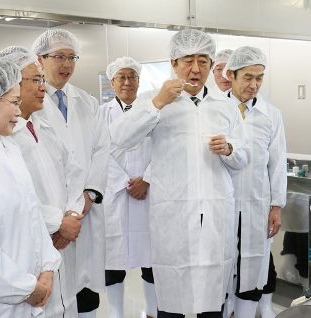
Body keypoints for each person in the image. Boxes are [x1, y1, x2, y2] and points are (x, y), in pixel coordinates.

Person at [110, 28, 249, 318]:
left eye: (203, 60)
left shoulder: (225, 106)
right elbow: (120, 138)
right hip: (172, 215)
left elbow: (243, 157)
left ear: (212, 65)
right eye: (188, 60)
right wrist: (157, 102)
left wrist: (229, 149)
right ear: (173, 63)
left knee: (212, 298)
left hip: (214, 212)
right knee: (171, 300)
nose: (195, 68)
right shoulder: (154, 100)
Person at [0, 46, 86, 317]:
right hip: (34, 244)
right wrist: (58, 222)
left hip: (63, 239)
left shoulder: (44, 124)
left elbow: (74, 170)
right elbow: (18, 200)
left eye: (42, 80)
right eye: (35, 80)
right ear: (9, 85)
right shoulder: (3, 140)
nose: (43, 88)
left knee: (65, 304)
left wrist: (72, 213)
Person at [32, 29, 110, 318]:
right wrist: (62, 217)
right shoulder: (31, 105)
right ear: (40, 59)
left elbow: (102, 150)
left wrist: (89, 195)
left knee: (85, 289)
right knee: (55, 289)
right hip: (53, 215)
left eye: (71, 57)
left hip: (84, 212)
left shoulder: (88, 102)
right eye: (59, 57)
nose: (66, 64)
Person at [0, 57, 61, 317]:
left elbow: (32, 214)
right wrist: (25, 288)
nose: (18, 111)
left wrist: (47, 268)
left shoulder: (8, 147)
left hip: (32, 292)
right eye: (13, 103)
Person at [223, 46, 287, 318]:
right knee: (222, 269)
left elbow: (278, 162)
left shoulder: (271, 115)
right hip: (221, 205)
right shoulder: (215, 109)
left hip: (256, 204)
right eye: (248, 77)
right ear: (231, 75)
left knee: (252, 269)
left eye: (259, 78)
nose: (254, 84)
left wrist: (276, 206)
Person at [100, 57, 156, 318]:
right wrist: (124, 183)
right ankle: (116, 313)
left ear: (139, 80)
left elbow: (164, 150)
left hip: (149, 195)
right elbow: (98, 153)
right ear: (112, 82)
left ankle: (154, 311)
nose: (126, 82)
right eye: (121, 77)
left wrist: (147, 179)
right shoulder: (101, 114)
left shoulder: (152, 111)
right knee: (113, 261)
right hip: (117, 196)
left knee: (151, 260)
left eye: (131, 76)